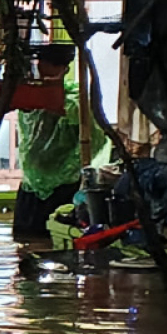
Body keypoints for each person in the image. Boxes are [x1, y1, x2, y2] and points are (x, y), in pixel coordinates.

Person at [13, 43, 108, 239]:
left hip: (61, 185)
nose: (41, 68)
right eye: (40, 64)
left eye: (48, 65)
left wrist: (71, 167)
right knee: (25, 240)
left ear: (63, 69)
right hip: (31, 184)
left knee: (55, 238)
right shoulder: (30, 94)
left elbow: (96, 139)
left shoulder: (75, 100)